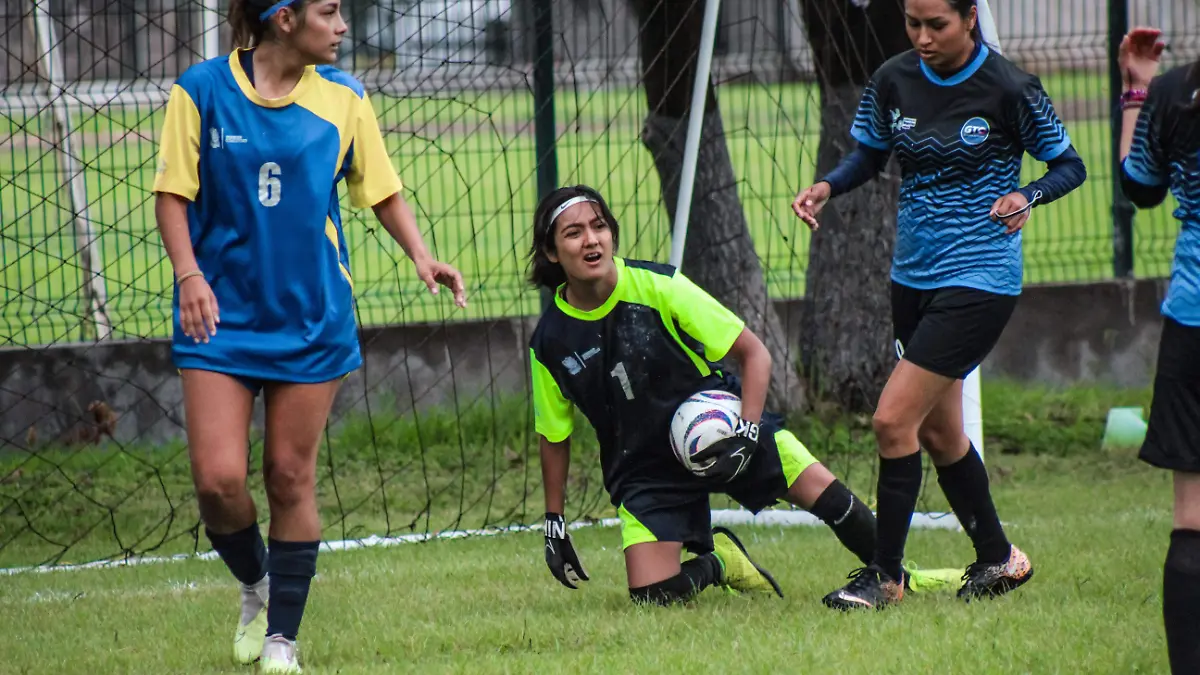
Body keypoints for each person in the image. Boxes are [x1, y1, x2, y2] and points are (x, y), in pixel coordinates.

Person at [152, 0, 466, 671]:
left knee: (289, 476)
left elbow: (380, 189)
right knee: (218, 479)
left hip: (312, 317)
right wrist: (188, 276)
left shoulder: (346, 99)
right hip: (220, 316)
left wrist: (420, 252)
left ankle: (282, 638)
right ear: (284, 19)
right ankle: (256, 585)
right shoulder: (199, 91)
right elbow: (172, 195)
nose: (344, 24)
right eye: (330, 11)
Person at [528, 184, 955, 606]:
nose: (591, 240)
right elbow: (554, 436)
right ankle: (721, 562)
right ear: (551, 253)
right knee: (652, 596)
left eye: (599, 226)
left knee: (831, 499)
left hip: (726, 427)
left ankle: (900, 577)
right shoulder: (549, 343)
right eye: (573, 233)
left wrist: (748, 431)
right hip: (642, 466)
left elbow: (755, 355)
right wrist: (554, 521)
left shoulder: (659, 286)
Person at [791, 0, 1086, 610]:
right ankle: (999, 558)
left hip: (981, 278)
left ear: (970, 17)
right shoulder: (893, 79)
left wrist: (1027, 193)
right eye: (912, 23)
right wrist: (828, 185)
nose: (922, 38)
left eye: (937, 25)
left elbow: (1070, 165)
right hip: (913, 278)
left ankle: (886, 577)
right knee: (941, 431)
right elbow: (870, 156)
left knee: (891, 420)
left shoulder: (1010, 87)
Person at [1117, 26, 1200, 675]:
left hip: (1191, 325)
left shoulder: (1176, 94)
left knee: (1191, 516)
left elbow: (1138, 187)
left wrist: (1137, 90)